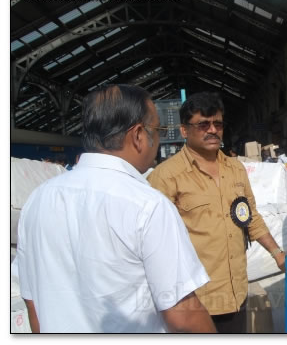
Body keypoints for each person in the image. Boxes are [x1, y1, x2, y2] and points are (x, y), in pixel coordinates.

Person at [16, 84, 215, 333]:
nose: (159, 139)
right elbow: (184, 318)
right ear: (139, 135)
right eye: (158, 130)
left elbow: (32, 302)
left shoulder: (38, 199)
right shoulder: (147, 206)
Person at [147, 91, 287, 333]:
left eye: (217, 123)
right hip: (194, 302)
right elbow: (154, 243)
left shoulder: (236, 169)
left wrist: (278, 254)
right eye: (203, 124)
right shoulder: (166, 177)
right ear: (184, 131)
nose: (212, 130)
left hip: (235, 293)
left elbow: (251, 218)